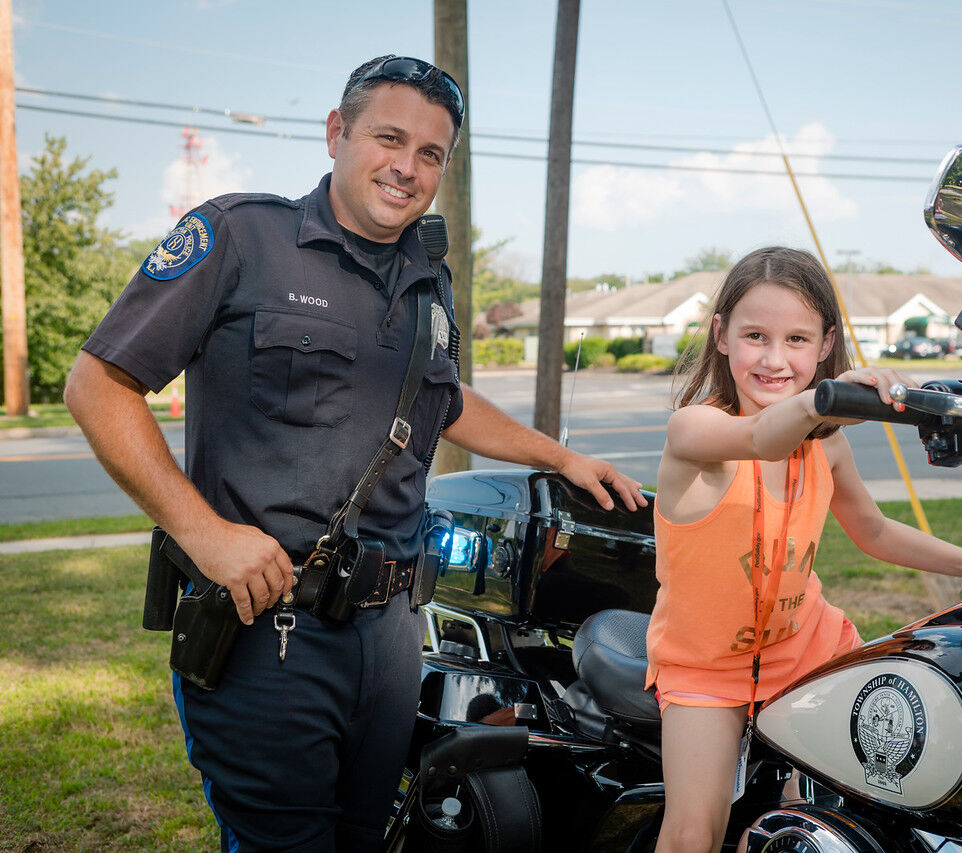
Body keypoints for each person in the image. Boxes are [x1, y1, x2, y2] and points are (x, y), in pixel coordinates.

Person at [63, 55, 645, 852]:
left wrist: (562, 457)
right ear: (337, 133)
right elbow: (98, 383)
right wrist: (201, 532)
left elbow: (443, 400)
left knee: (367, 837)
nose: (407, 168)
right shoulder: (240, 236)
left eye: (431, 153)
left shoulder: (426, 276)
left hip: (392, 634)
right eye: (389, 138)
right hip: (269, 630)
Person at [644, 247, 962, 853]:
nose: (776, 359)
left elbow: (875, 532)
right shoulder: (695, 431)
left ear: (825, 343)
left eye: (797, 339)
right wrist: (821, 401)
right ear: (720, 335)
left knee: (894, 796)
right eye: (755, 335)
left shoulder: (825, 447)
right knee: (692, 834)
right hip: (707, 669)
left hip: (812, 649)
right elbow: (761, 436)